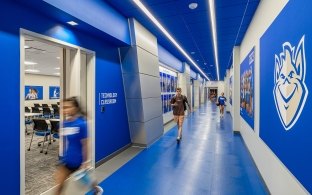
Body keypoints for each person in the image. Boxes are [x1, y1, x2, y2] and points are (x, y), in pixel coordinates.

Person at [54, 97, 103, 195]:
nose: (65, 110)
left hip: (78, 161)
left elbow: (85, 144)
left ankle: (96, 188)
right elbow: (63, 142)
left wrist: (85, 162)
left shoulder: (82, 124)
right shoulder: (63, 124)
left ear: (75, 108)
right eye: (63, 107)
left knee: (86, 180)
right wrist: (61, 157)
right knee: (59, 186)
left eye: (68, 107)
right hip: (67, 160)